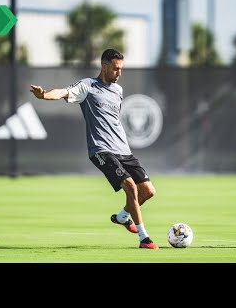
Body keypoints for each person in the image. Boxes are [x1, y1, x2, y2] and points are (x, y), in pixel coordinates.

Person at [30, 48, 158, 249]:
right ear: (104, 66)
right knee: (131, 187)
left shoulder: (118, 90)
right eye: (116, 69)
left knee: (148, 191)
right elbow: (63, 92)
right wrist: (44, 95)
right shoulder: (87, 86)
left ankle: (123, 217)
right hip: (101, 150)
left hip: (124, 150)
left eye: (121, 69)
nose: (119, 73)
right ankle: (144, 238)